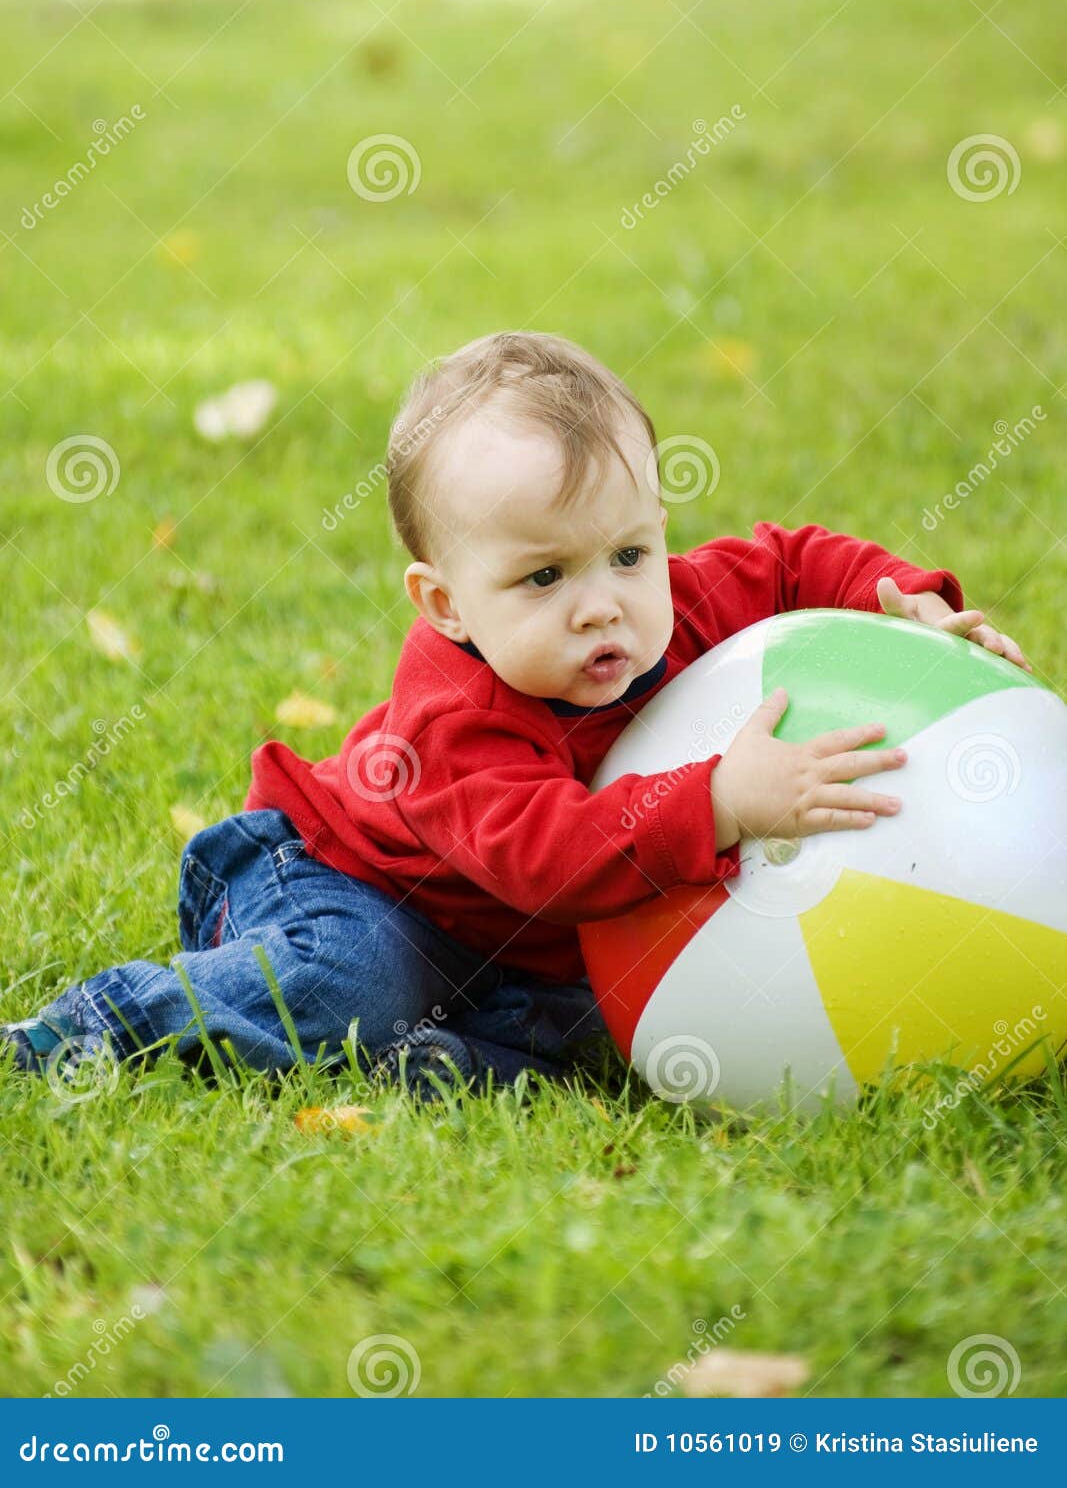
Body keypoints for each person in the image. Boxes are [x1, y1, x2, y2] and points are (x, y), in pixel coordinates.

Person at [2, 331, 1030, 1098]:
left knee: (606, 1030)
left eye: (627, 553)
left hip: (514, 944)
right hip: (353, 887)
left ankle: (436, 1058)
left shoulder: (671, 604)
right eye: (543, 576)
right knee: (354, 986)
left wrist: (904, 598)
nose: (602, 604)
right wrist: (718, 799)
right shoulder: (452, 718)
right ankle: (92, 1027)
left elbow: (794, 559)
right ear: (446, 604)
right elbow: (552, 858)